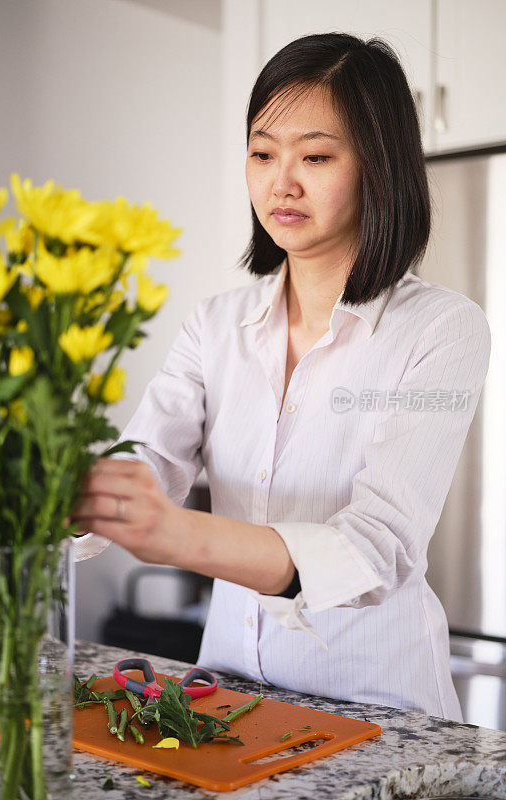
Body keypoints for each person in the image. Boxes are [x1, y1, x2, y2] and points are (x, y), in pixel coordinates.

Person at [71, 32, 491, 720]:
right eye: (263, 153)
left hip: (375, 706)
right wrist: (72, 490)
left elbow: (373, 549)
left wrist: (171, 534)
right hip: (224, 696)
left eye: (316, 156)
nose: (280, 182)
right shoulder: (216, 323)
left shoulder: (443, 328)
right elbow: (147, 461)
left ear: (378, 167)